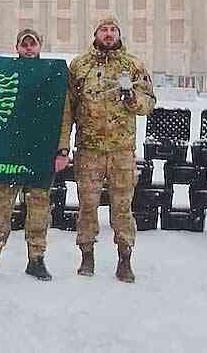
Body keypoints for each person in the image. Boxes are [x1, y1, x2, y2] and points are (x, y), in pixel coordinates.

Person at [61, 15, 155, 283]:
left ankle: (125, 259)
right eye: (104, 29)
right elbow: (68, 109)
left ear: (119, 34)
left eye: (113, 29)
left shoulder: (133, 65)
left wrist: (131, 98)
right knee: (87, 206)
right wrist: (63, 145)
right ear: (96, 34)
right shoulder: (80, 66)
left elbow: (149, 103)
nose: (109, 34)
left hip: (121, 151)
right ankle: (86, 255)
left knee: (122, 207)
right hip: (89, 150)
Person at [0, 28, 71, 282]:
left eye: (33, 44)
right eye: (24, 44)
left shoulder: (53, 77)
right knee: (0, 211)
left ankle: (36, 259)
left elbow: (65, 117)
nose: (29, 48)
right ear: (17, 47)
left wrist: (63, 149)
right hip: (8, 155)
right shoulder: (4, 74)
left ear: (40, 46)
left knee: (39, 212)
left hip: (40, 155)